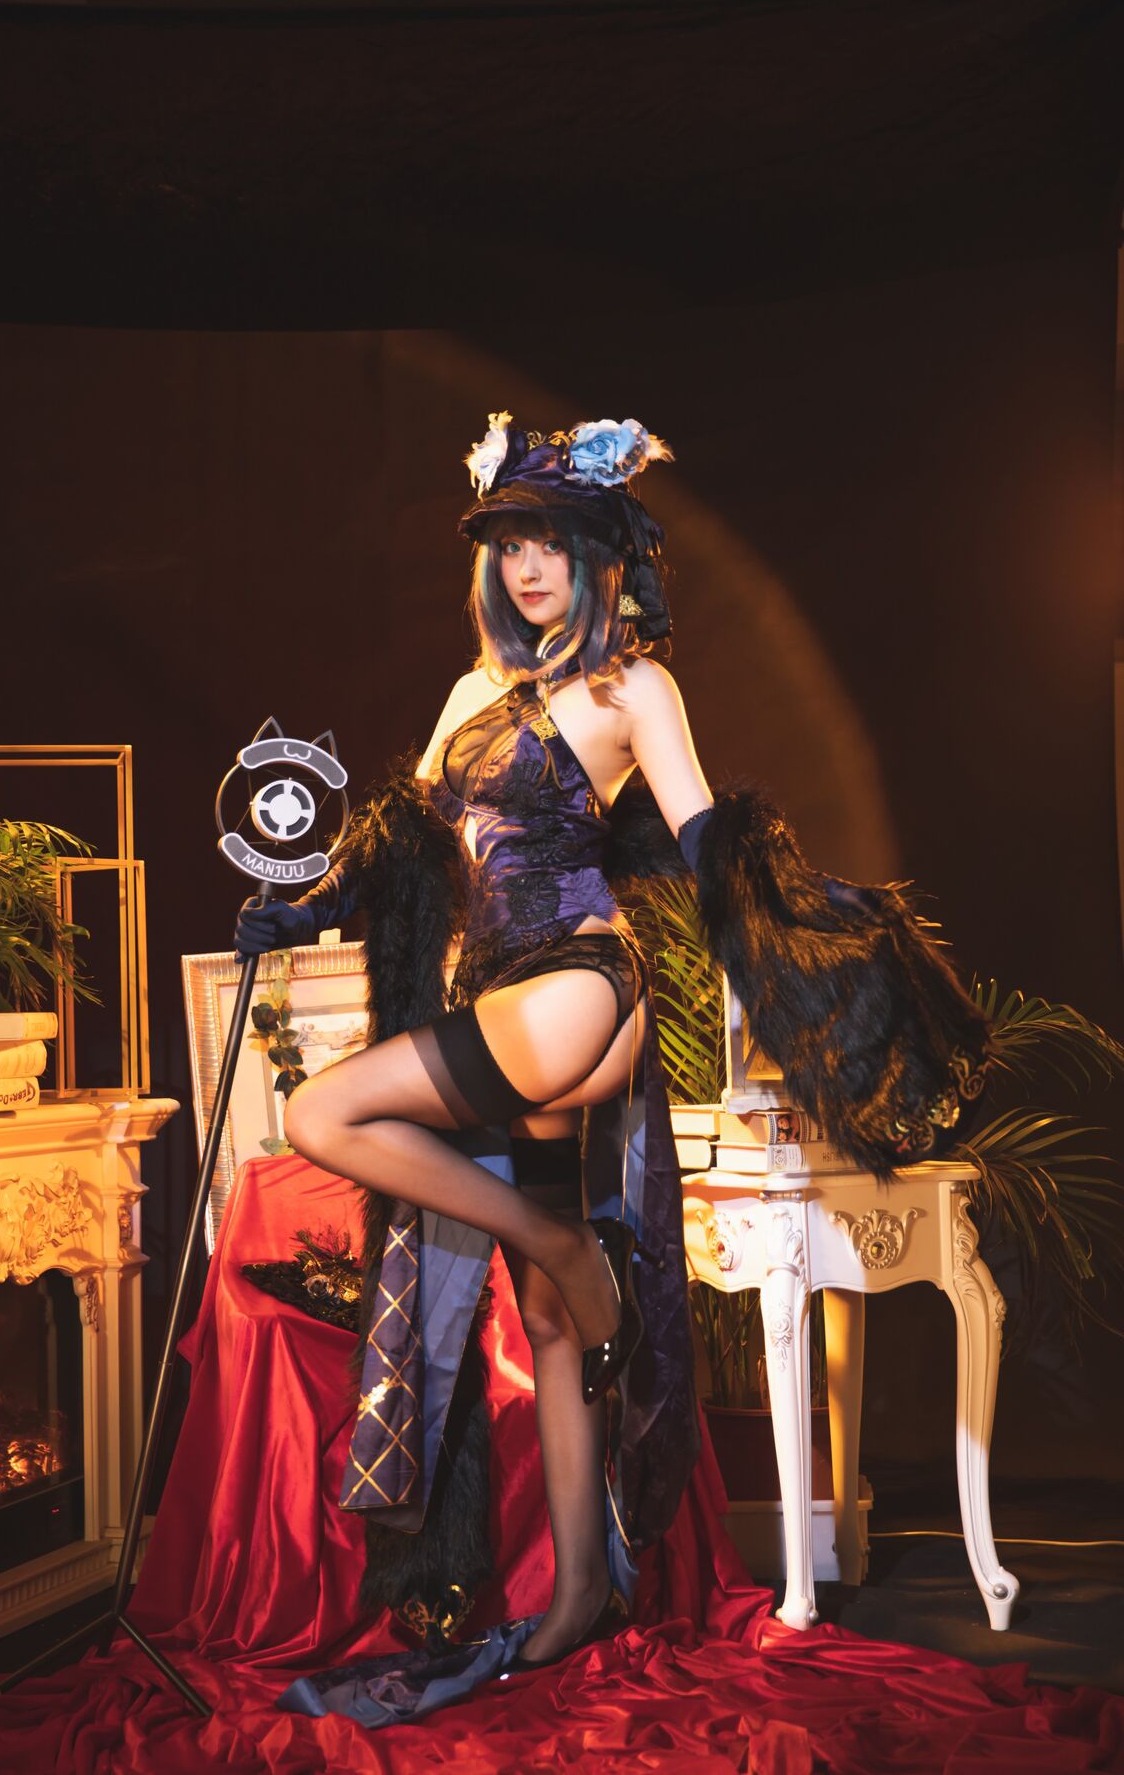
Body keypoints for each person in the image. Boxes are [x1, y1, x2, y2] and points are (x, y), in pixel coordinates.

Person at [233, 413, 991, 1725]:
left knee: (324, 1111)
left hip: (580, 982)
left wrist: (816, 929)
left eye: (551, 542)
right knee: (545, 1315)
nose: (528, 566)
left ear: (600, 556)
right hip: (496, 992)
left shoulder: (634, 689)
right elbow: (412, 851)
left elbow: (704, 842)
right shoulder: (471, 692)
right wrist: (301, 909)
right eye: (509, 544)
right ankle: (578, 1591)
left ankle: (556, 1244)